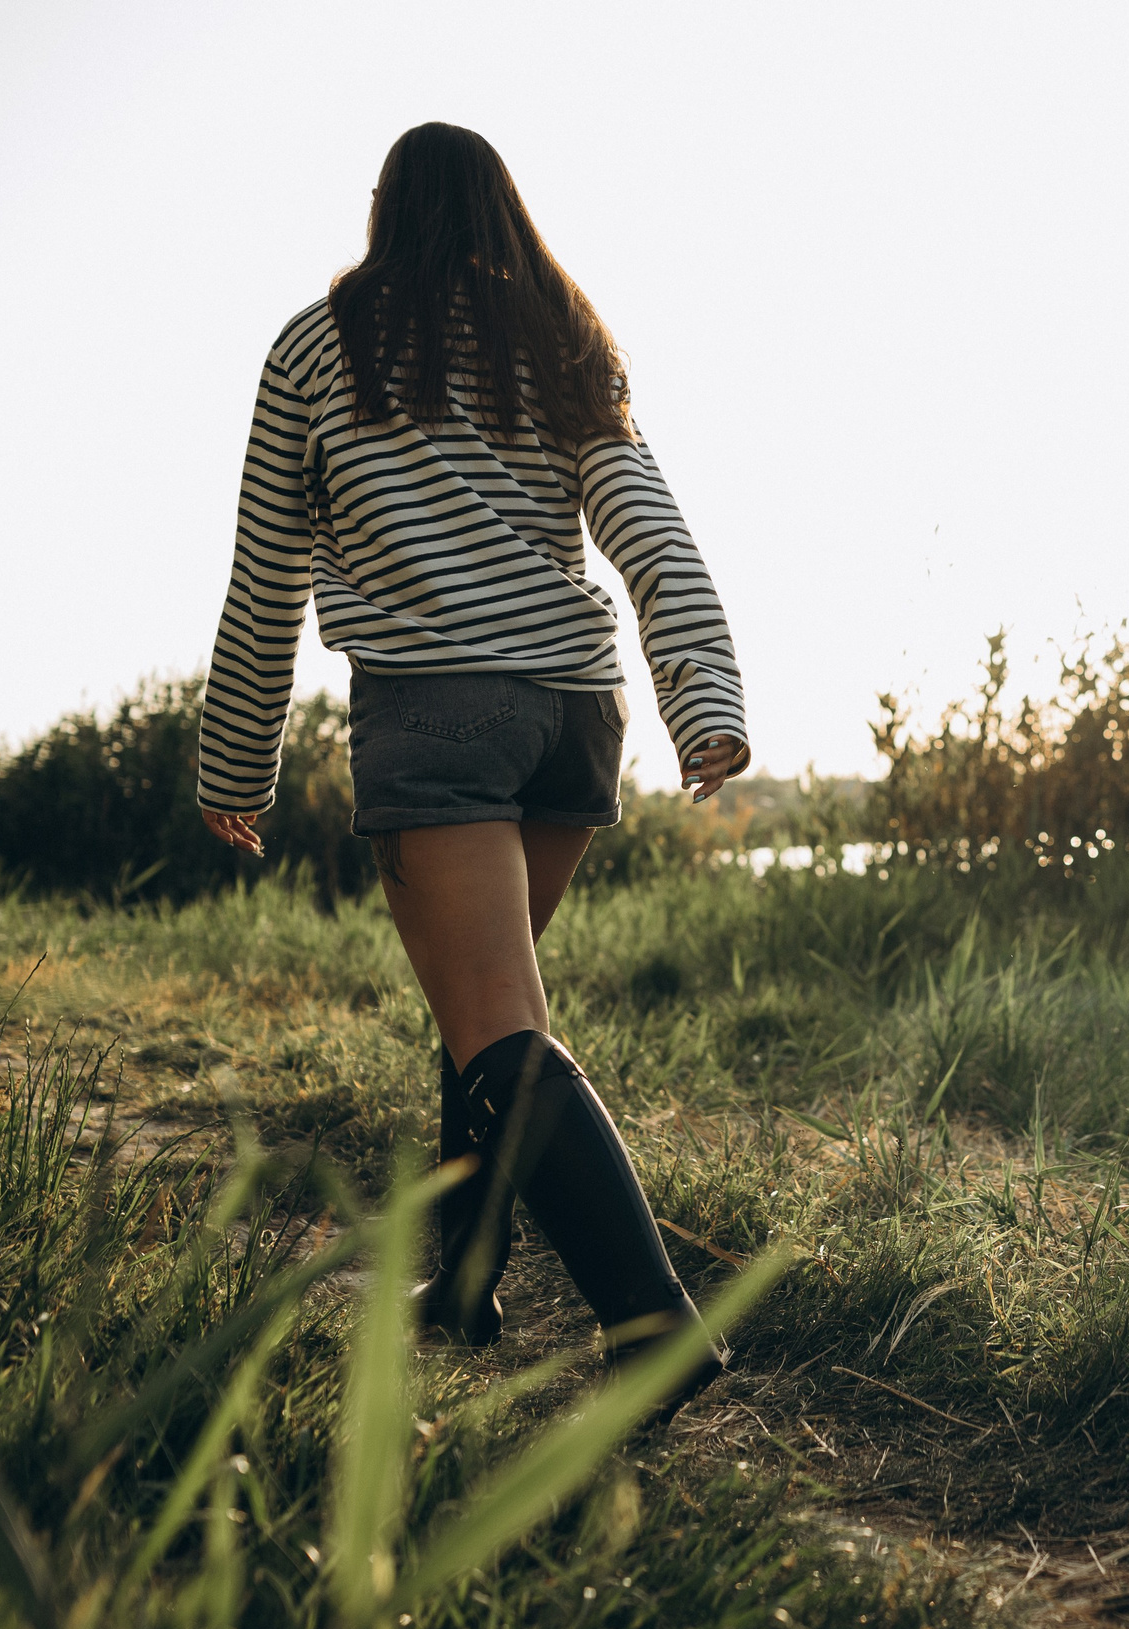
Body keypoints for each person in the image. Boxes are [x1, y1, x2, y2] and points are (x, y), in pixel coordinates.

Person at [196, 122, 745, 1407]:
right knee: (486, 1013)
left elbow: (266, 571)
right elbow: (649, 529)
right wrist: (704, 697)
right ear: (506, 211)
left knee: (493, 1014)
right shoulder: (558, 338)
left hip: (438, 706)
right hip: (575, 710)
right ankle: (466, 1281)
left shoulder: (321, 344)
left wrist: (235, 762)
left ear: (385, 207)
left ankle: (655, 1327)